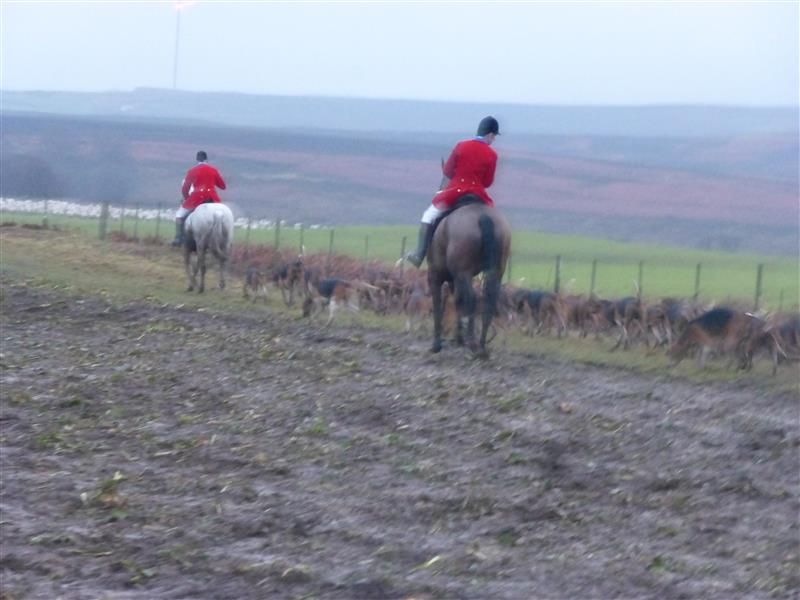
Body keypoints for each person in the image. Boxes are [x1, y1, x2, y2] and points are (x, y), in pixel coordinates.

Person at [404, 116, 500, 267]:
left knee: (428, 215)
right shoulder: (492, 154)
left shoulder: (461, 146)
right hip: (478, 194)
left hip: (455, 191)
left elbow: (448, 172)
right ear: (489, 134)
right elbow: (487, 182)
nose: (493, 140)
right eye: (494, 137)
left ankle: (419, 254)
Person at [171, 150, 227, 246]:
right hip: (213, 199)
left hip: (197, 198)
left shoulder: (192, 171)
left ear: (197, 159)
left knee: (179, 215)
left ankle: (179, 238)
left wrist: (187, 198)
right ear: (206, 159)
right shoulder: (213, 170)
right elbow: (223, 186)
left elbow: (185, 188)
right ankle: (223, 240)